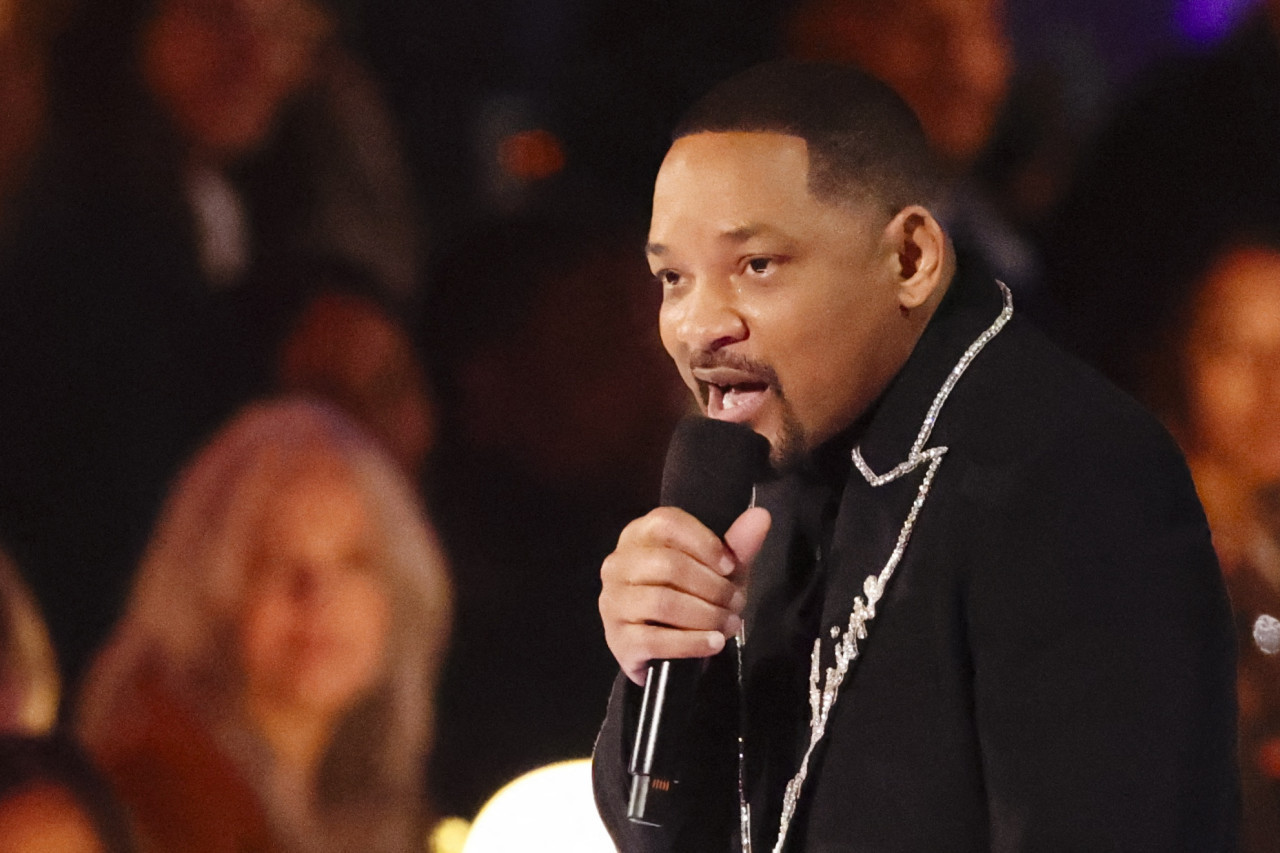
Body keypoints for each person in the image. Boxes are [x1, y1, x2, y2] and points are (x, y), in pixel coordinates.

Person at [591, 61, 1238, 851]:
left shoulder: (1070, 474)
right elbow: (666, 829)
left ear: (910, 259)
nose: (698, 326)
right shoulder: (774, 470)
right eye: (672, 278)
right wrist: (662, 660)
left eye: (755, 265)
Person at [75, 397, 452, 853]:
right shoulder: (153, 794)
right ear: (217, 590)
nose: (318, 597)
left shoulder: (374, 810)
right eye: (275, 561)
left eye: (354, 561)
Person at [1124, 228, 1280, 853]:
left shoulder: (1260, 538)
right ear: (1174, 353)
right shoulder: (1139, 549)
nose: (1273, 387)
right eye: (1234, 350)